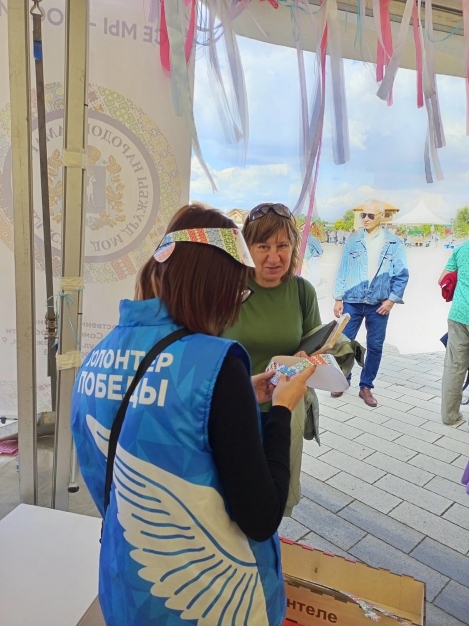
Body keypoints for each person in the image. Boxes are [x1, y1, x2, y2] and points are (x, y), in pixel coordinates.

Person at [71, 203, 314, 626]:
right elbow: (261, 516)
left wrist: (237, 395)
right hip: (209, 601)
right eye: (237, 292)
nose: (235, 306)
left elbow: (146, 425)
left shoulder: (99, 355)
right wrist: (280, 409)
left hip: (127, 585)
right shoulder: (215, 362)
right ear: (215, 285)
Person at [223, 202, 321, 515]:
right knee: (229, 499)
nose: (274, 257)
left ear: (294, 247)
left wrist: (309, 359)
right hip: (233, 410)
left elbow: (316, 345)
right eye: (263, 246)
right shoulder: (228, 290)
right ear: (247, 247)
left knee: (271, 499)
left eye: (283, 246)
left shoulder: (302, 292)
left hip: (282, 411)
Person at [332, 200, 409, 407]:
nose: (365, 219)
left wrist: (391, 300)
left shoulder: (394, 243)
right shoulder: (353, 241)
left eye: (370, 215)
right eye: (363, 215)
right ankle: (342, 379)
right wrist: (338, 298)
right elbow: (343, 269)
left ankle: (366, 386)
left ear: (381, 217)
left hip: (379, 303)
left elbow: (402, 274)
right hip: (353, 300)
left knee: (375, 346)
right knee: (344, 343)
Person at [439, 239, 469, 425]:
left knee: (454, 367)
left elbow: (442, 279)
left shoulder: (462, 249)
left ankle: (449, 416)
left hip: (459, 314)